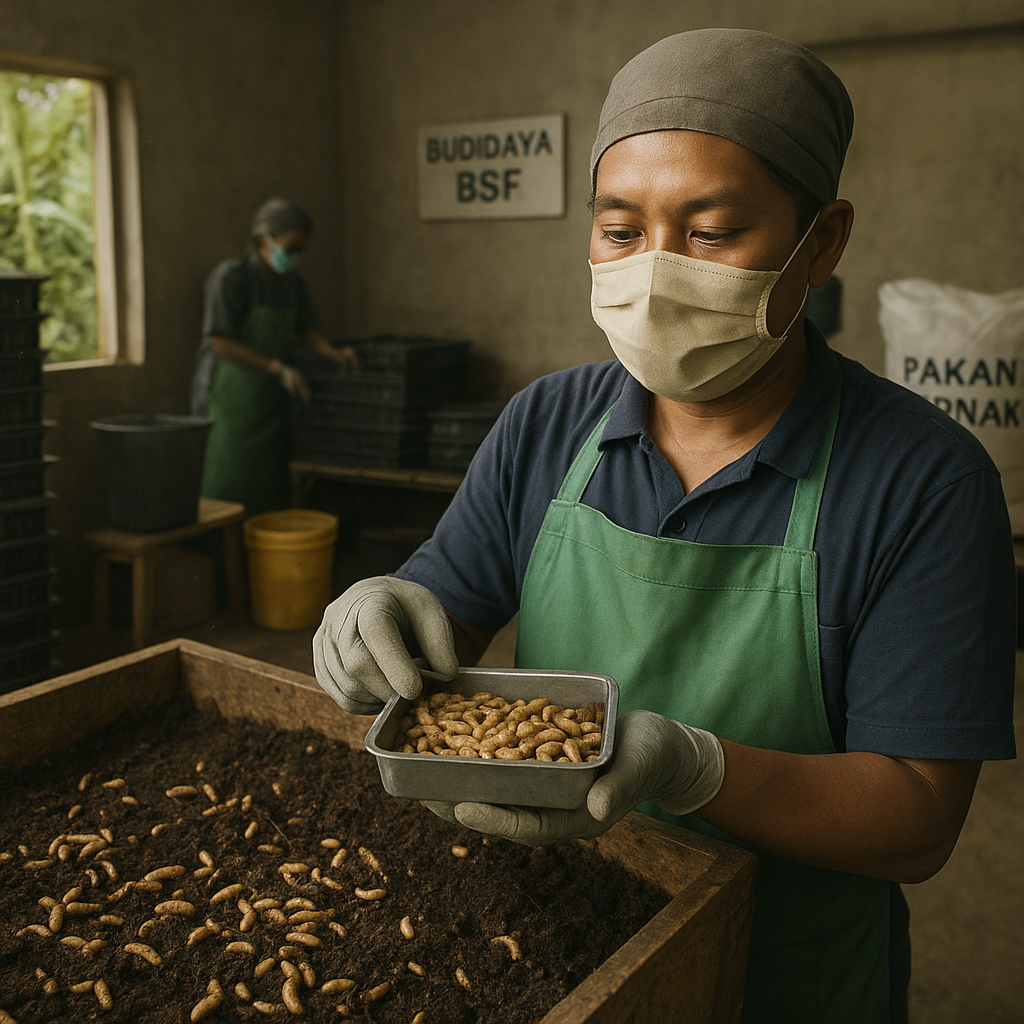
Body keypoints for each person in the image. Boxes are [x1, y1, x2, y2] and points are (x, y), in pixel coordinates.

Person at [311, 29, 1017, 1024]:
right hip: (562, 945)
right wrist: (385, 609)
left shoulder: (922, 481)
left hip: (786, 971)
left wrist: (691, 766)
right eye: (618, 229)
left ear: (821, 241)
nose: (653, 271)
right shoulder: (546, 423)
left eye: (712, 230)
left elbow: (914, 820)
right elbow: (446, 621)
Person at [191, 198, 356, 516]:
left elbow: (306, 330)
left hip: (268, 405)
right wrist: (275, 367)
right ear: (262, 241)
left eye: (300, 250)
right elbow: (220, 342)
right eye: (290, 247)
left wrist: (332, 353)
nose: (294, 257)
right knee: (225, 497)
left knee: (267, 499)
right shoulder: (231, 278)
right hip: (229, 410)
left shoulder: (292, 285)